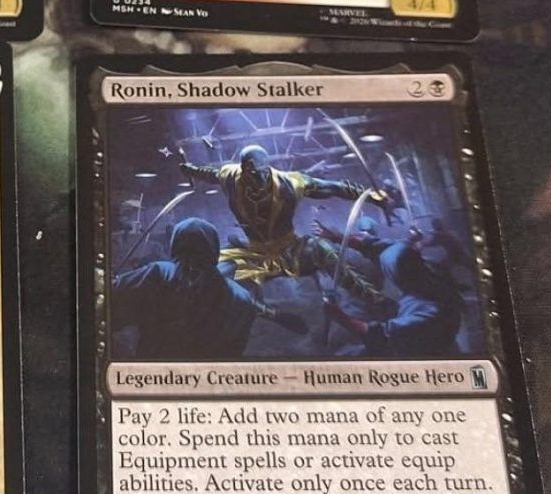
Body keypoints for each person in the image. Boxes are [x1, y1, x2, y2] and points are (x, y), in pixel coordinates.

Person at [181, 144, 390, 305]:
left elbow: (334, 187)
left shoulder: (289, 182)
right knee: (209, 277)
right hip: (253, 254)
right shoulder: (230, 176)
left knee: (322, 250)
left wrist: (373, 196)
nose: (258, 180)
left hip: (290, 251)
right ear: (243, 169)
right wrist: (190, 170)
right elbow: (208, 174)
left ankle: (373, 298)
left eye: (262, 173)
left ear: (268, 168)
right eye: (251, 174)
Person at [111, 217, 305, 360]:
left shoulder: (158, 273)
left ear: (176, 245)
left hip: (155, 380)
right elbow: (235, 348)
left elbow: (113, 309)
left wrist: (111, 284)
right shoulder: (242, 297)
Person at [323, 242, 461, 358]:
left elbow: (382, 335)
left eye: (387, 272)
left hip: (424, 354)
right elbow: (381, 249)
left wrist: (341, 317)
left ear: (398, 275)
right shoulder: (422, 271)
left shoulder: (431, 310)